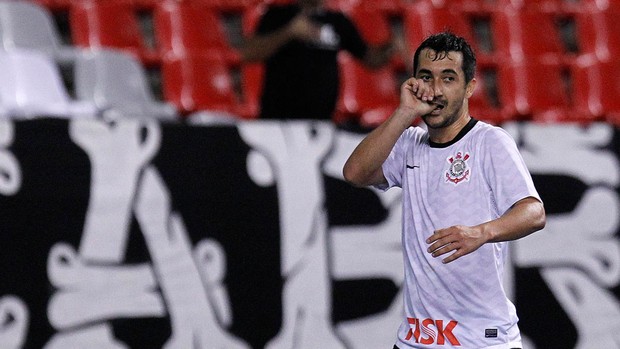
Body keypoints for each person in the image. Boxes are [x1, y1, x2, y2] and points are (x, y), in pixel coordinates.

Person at [343, 31, 546, 349]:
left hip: (481, 340)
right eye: (426, 77)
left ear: (469, 87)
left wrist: (481, 232)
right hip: (417, 340)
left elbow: (534, 212)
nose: (435, 90)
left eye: (448, 78)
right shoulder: (408, 143)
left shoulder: (489, 142)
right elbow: (354, 173)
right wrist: (405, 113)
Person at [240, 0, 400, 121]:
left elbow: (369, 58)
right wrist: (288, 32)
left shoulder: (337, 21)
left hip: (322, 122)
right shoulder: (279, 15)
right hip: (279, 120)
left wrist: (390, 47)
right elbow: (250, 53)